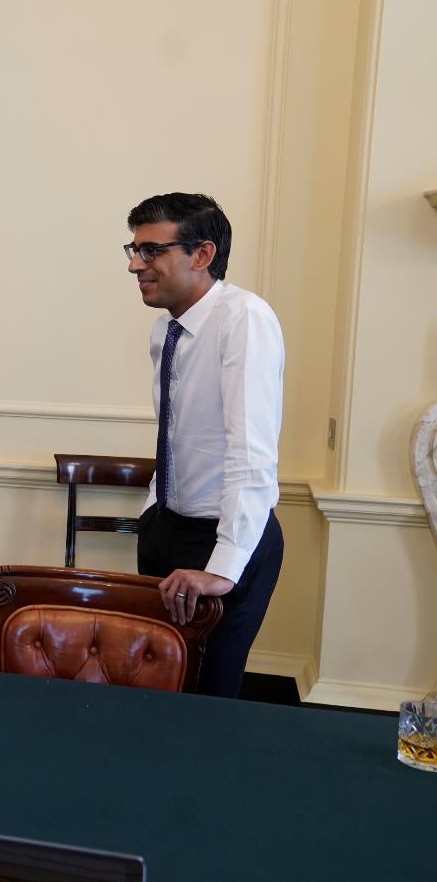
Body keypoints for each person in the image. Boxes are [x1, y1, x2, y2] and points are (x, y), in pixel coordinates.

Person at [126, 192, 285, 698]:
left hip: (224, 538)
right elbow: (175, 436)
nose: (135, 264)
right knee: (159, 684)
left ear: (202, 254)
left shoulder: (244, 319)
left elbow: (250, 454)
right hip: (167, 529)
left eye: (151, 251)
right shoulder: (165, 330)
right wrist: (154, 513)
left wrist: (221, 568)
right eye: (132, 250)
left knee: (208, 700)